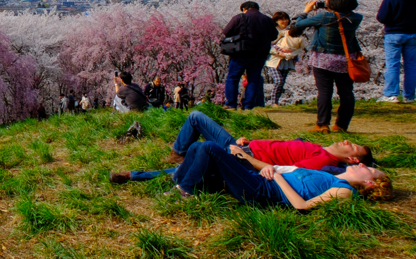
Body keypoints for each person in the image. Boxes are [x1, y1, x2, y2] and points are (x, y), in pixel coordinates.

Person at [108, 110, 374, 183]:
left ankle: (135, 175)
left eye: (353, 147)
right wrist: (249, 142)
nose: (347, 141)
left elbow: (283, 170)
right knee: (196, 119)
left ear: (351, 161)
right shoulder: (316, 147)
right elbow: (279, 148)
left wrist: (246, 157)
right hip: (244, 147)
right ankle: (178, 154)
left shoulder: (320, 162)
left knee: (195, 159)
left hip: (244, 159)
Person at [167, 140, 392, 209]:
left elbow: (302, 206)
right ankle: (178, 183)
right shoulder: (332, 175)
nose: (363, 167)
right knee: (198, 147)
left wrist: (277, 177)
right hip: (262, 179)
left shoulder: (345, 191)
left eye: (368, 170)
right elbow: (291, 170)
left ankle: (185, 192)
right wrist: (266, 167)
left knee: (209, 149)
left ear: (370, 184)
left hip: (263, 192)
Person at [294, 0, 363, 133]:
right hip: (346, 60)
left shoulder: (324, 16)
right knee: (346, 93)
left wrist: (305, 10)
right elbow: (341, 15)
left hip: (323, 59)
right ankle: (342, 126)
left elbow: (299, 24)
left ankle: (322, 124)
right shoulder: (356, 17)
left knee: (325, 92)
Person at [222, 1, 279, 110]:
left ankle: (231, 104)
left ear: (245, 9)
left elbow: (226, 32)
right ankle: (248, 105)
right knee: (254, 79)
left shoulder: (240, 17)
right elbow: (274, 36)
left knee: (233, 77)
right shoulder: (267, 19)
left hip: (242, 52)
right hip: (260, 54)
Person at [376, 0, 416, 104]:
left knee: (393, 64)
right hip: (413, 34)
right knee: (411, 66)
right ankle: (409, 96)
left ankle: (391, 94)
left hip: (394, 34)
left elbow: (381, 18)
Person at [265, 12, 307, 107]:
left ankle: (275, 102)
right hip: (273, 60)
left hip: (287, 61)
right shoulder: (272, 31)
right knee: (279, 80)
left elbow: (300, 48)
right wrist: (278, 52)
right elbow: (267, 44)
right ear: (275, 21)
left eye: (286, 19)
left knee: (282, 82)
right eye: (281, 19)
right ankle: (273, 102)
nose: (284, 21)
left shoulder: (293, 31)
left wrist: (289, 55)